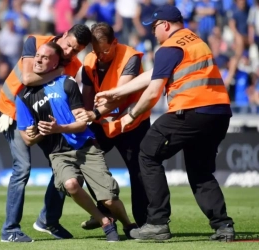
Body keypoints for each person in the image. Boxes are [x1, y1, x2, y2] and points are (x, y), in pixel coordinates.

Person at [94, 5, 235, 241]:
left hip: (190, 110)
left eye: (155, 27)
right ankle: (223, 226)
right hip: (219, 113)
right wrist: (116, 93)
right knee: (200, 170)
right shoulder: (195, 41)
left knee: (147, 153)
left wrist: (129, 116)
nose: (153, 32)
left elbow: (152, 93)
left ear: (165, 25)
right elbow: (152, 74)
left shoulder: (169, 47)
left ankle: (157, 223)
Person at [15, 42, 137, 242]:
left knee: (109, 198)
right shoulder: (22, 96)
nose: (38, 59)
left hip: (85, 147)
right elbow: (28, 140)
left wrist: (58, 128)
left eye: (45, 57)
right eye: (37, 55)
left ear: (55, 63)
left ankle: (127, 224)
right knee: (71, 184)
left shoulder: (66, 83)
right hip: (58, 153)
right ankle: (105, 222)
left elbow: (82, 124)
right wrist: (42, 132)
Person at [0, 24, 92, 243]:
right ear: (64, 34)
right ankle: (9, 229)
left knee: (63, 167)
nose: (69, 53)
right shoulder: (35, 41)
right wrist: (58, 72)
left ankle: (48, 220)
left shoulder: (74, 64)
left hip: (45, 118)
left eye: (75, 51)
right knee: (22, 168)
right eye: (68, 46)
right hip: (12, 113)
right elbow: (27, 79)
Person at [75, 22, 150, 229]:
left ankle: (146, 223)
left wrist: (95, 113)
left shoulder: (130, 57)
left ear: (115, 42)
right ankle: (105, 211)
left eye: (105, 51)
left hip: (132, 123)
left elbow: (121, 94)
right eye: (96, 51)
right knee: (88, 162)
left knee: (139, 172)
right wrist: (83, 118)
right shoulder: (90, 60)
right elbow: (87, 94)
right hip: (103, 123)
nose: (100, 56)